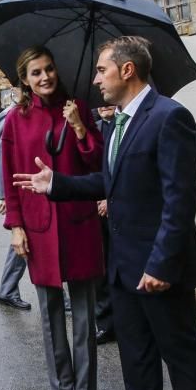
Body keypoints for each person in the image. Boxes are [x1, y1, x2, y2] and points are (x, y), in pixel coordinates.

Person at [13, 36, 196, 390]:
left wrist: (161, 264)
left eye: (102, 70)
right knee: (136, 354)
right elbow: (108, 182)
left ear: (127, 71)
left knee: (180, 355)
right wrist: (58, 184)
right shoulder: (116, 123)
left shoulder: (169, 117)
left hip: (160, 266)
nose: (95, 79)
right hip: (122, 264)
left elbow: (179, 202)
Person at [2, 46, 104, 390]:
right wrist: (15, 227)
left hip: (78, 222)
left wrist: (78, 126)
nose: (45, 77)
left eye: (49, 69)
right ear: (25, 80)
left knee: (82, 314)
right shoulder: (16, 119)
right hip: (38, 225)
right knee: (49, 316)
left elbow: (98, 163)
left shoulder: (76, 107)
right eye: (35, 73)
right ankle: (62, 389)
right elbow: (10, 179)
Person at [0, 104, 29, 311]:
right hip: (19, 189)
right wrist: (3, 195)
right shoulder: (8, 115)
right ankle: (8, 290)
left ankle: (7, 289)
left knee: (26, 239)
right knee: (24, 238)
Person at [93, 105, 116, 345]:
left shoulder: (126, 127)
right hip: (95, 209)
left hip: (120, 208)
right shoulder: (92, 130)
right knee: (101, 269)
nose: (104, 104)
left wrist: (111, 198)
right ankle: (105, 323)